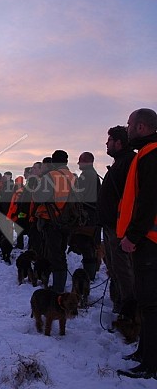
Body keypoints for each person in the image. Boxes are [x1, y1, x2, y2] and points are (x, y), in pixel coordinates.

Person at [116, 108, 157, 380]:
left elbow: (148, 200)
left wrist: (133, 235)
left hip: (149, 240)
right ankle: (144, 352)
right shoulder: (145, 153)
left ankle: (151, 363)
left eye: (130, 123)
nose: (127, 127)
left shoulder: (151, 154)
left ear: (141, 127)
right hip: (146, 239)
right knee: (145, 300)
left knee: (151, 303)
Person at [97, 126, 136, 318]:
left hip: (120, 228)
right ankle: (120, 304)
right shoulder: (120, 162)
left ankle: (129, 313)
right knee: (114, 267)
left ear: (119, 143)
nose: (106, 143)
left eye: (110, 140)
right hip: (112, 225)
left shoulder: (129, 162)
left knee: (124, 269)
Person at [33, 150, 76, 292]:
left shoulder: (51, 176)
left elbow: (38, 197)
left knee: (55, 255)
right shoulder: (73, 177)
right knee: (61, 253)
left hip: (52, 221)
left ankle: (58, 289)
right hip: (68, 221)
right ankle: (59, 284)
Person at [69, 152, 101, 280]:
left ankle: (89, 276)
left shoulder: (87, 176)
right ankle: (90, 274)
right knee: (89, 246)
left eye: (80, 161)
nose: (79, 164)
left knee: (87, 246)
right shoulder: (92, 175)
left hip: (87, 217)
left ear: (86, 162)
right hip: (91, 216)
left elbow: (78, 196)